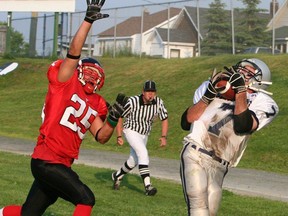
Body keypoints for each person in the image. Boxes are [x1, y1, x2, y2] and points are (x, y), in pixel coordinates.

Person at [0, 0, 128, 215]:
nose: (91, 74)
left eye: (96, 72)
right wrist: (88, 20)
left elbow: (101, 135)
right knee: (86, 198)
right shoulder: (65, 82)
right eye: (87, 69)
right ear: (78, 70)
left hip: (61, 164)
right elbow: (73, 52)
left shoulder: (96, 103)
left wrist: (113, 119)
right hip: (47, 159)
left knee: (27, 213)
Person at [180, 58, 279, 216]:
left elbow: (243, 126)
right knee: (198, 209)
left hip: (220, 163)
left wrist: (240, 92)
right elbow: (186, 122)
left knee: (210, 212)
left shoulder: (264, 102)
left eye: (248, 73)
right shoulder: (210, 87)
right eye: (241, 70)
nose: (241, 74)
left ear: (260, 81)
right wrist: (208, 96)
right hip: (195, 153)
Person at [112, 80, 169, 196]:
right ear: (143, 92)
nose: (150, 94)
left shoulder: (158, 102)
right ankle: (148, 186)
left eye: (153, 91)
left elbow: (165, 119)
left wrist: (164, 136)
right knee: (143, 153)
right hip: (131, 130)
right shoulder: (133, 102)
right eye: (148, 91)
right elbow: (119, 116)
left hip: (144, 133)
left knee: (134, 161)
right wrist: (119, 135)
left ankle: (117, 175)